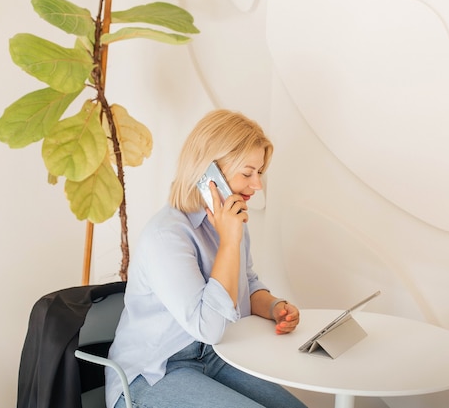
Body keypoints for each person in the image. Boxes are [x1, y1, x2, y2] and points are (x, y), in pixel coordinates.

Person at [105, 109, 307, 408]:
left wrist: (275, 306)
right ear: (208, 173)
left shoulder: (231, 221)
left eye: (260, 173)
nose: (257, 185)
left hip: (215, 355)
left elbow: (247, 285)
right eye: (247, 173)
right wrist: (229, 242)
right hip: (154, 372)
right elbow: (207, 326)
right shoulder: (167, 236)